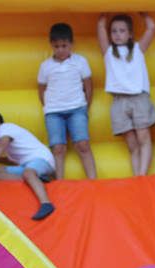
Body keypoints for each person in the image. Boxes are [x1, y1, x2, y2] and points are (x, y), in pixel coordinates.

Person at [97, 13, 155, 176]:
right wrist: (103, 14)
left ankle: (142, 175)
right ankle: (137, 175)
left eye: (122, 31)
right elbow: (101, 27)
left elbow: (151, 27)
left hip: (138, 98)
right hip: (119, 101)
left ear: (130, 34)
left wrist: (144, 13)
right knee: (132, 143)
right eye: (114, 31)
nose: (117, 34)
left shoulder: (138, 49)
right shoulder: (108, 52)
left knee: (143, 137)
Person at [38, 23, 97, 180]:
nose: (60, 50)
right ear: (51, 45)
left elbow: (89, 85)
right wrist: (49, 106)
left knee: (83, 145)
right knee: (58, 148)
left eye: (64, 46)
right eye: (56, 46)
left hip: (77, 108)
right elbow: (41, 88)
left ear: (71, 44)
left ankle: (93, 181)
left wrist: (85, 105)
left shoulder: (80, 61)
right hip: (54, 112)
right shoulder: (46, 66)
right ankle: (60, 182)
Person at [0, 109, 58, 221]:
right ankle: (36, 180)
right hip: (28, 165)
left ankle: (46, 203)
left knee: (28, 172)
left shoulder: (5, 128)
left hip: (42, 160)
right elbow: (12, 161)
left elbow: (0, 147)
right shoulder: (10, 146)